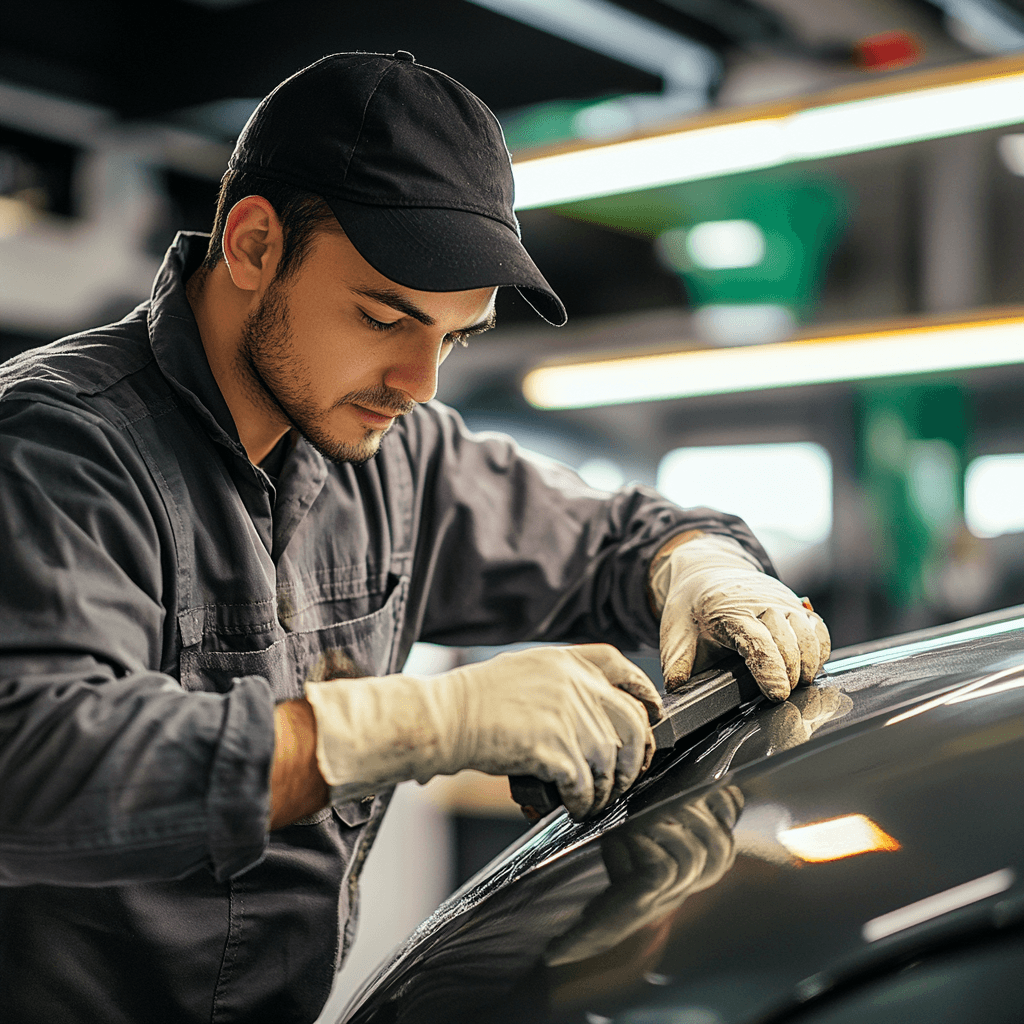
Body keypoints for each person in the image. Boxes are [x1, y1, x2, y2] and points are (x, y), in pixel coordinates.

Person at [0, 51, 830, 1024]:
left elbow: (615, 537)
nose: (419, 381)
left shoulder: (401, 458)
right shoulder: (59, 450)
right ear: (255, 243)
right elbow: (36, 760)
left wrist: (698, 564)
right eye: (385, 317)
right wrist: (411, 726)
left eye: (454, 337)